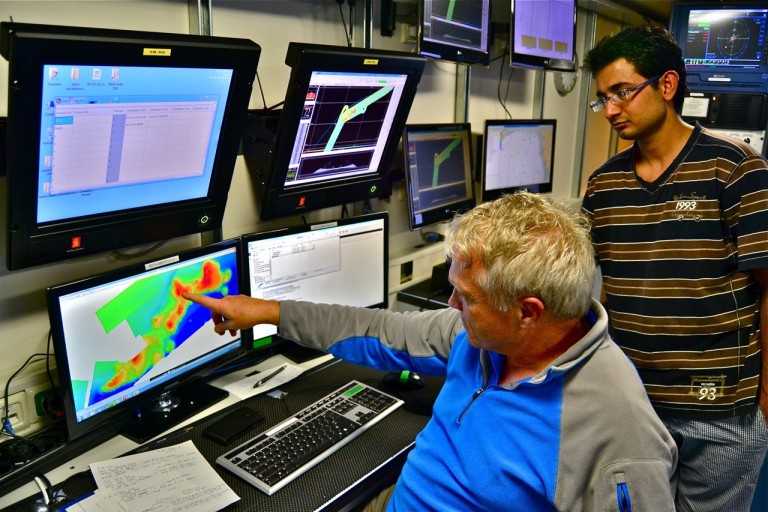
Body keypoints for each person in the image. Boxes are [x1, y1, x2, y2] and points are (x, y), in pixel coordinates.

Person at [185, 192, 677, 511]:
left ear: (528, 311)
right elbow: (377, 330)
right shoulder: (478, 338)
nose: (451, 304)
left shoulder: (617, 431)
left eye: (467, 297)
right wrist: (266, 310)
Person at [581, 25, 768, 512]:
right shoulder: (603, 186)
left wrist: (765, 404)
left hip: (720, 411)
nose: (612, 109)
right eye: (603, 99)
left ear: (666, 86)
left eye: (622, 92)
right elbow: (602, 289)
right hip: (633, 403)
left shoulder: (736, 169)